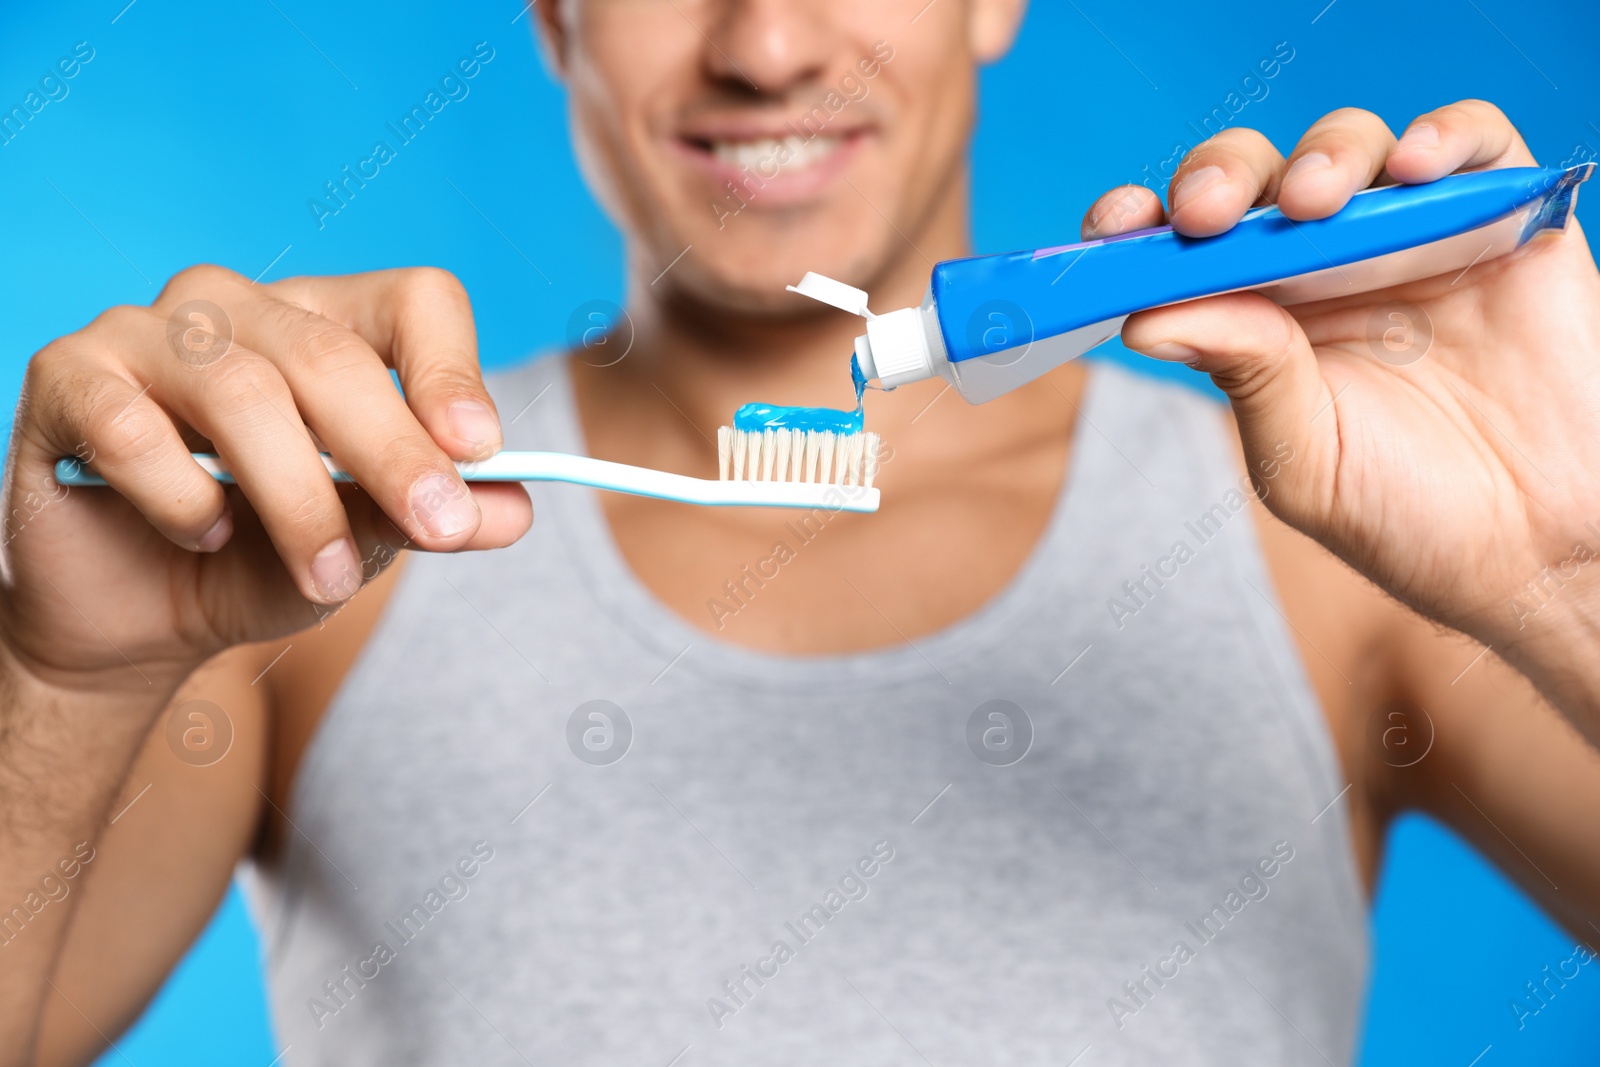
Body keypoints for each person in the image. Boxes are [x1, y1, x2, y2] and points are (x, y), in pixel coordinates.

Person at [3, 1, 1599, 1063]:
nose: (763, 44)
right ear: (558, 17)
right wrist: (62, 682)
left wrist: (1562, 574)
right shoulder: (302, 552)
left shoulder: (1330, 545)